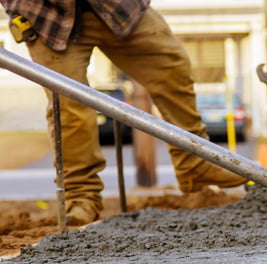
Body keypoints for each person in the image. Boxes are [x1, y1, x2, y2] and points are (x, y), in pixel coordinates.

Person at [0, 0, 247, 226]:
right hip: (48, 16)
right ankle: (80, 196)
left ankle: (196, 165)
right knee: (69, 107)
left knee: (172, 67)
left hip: (118, 7)